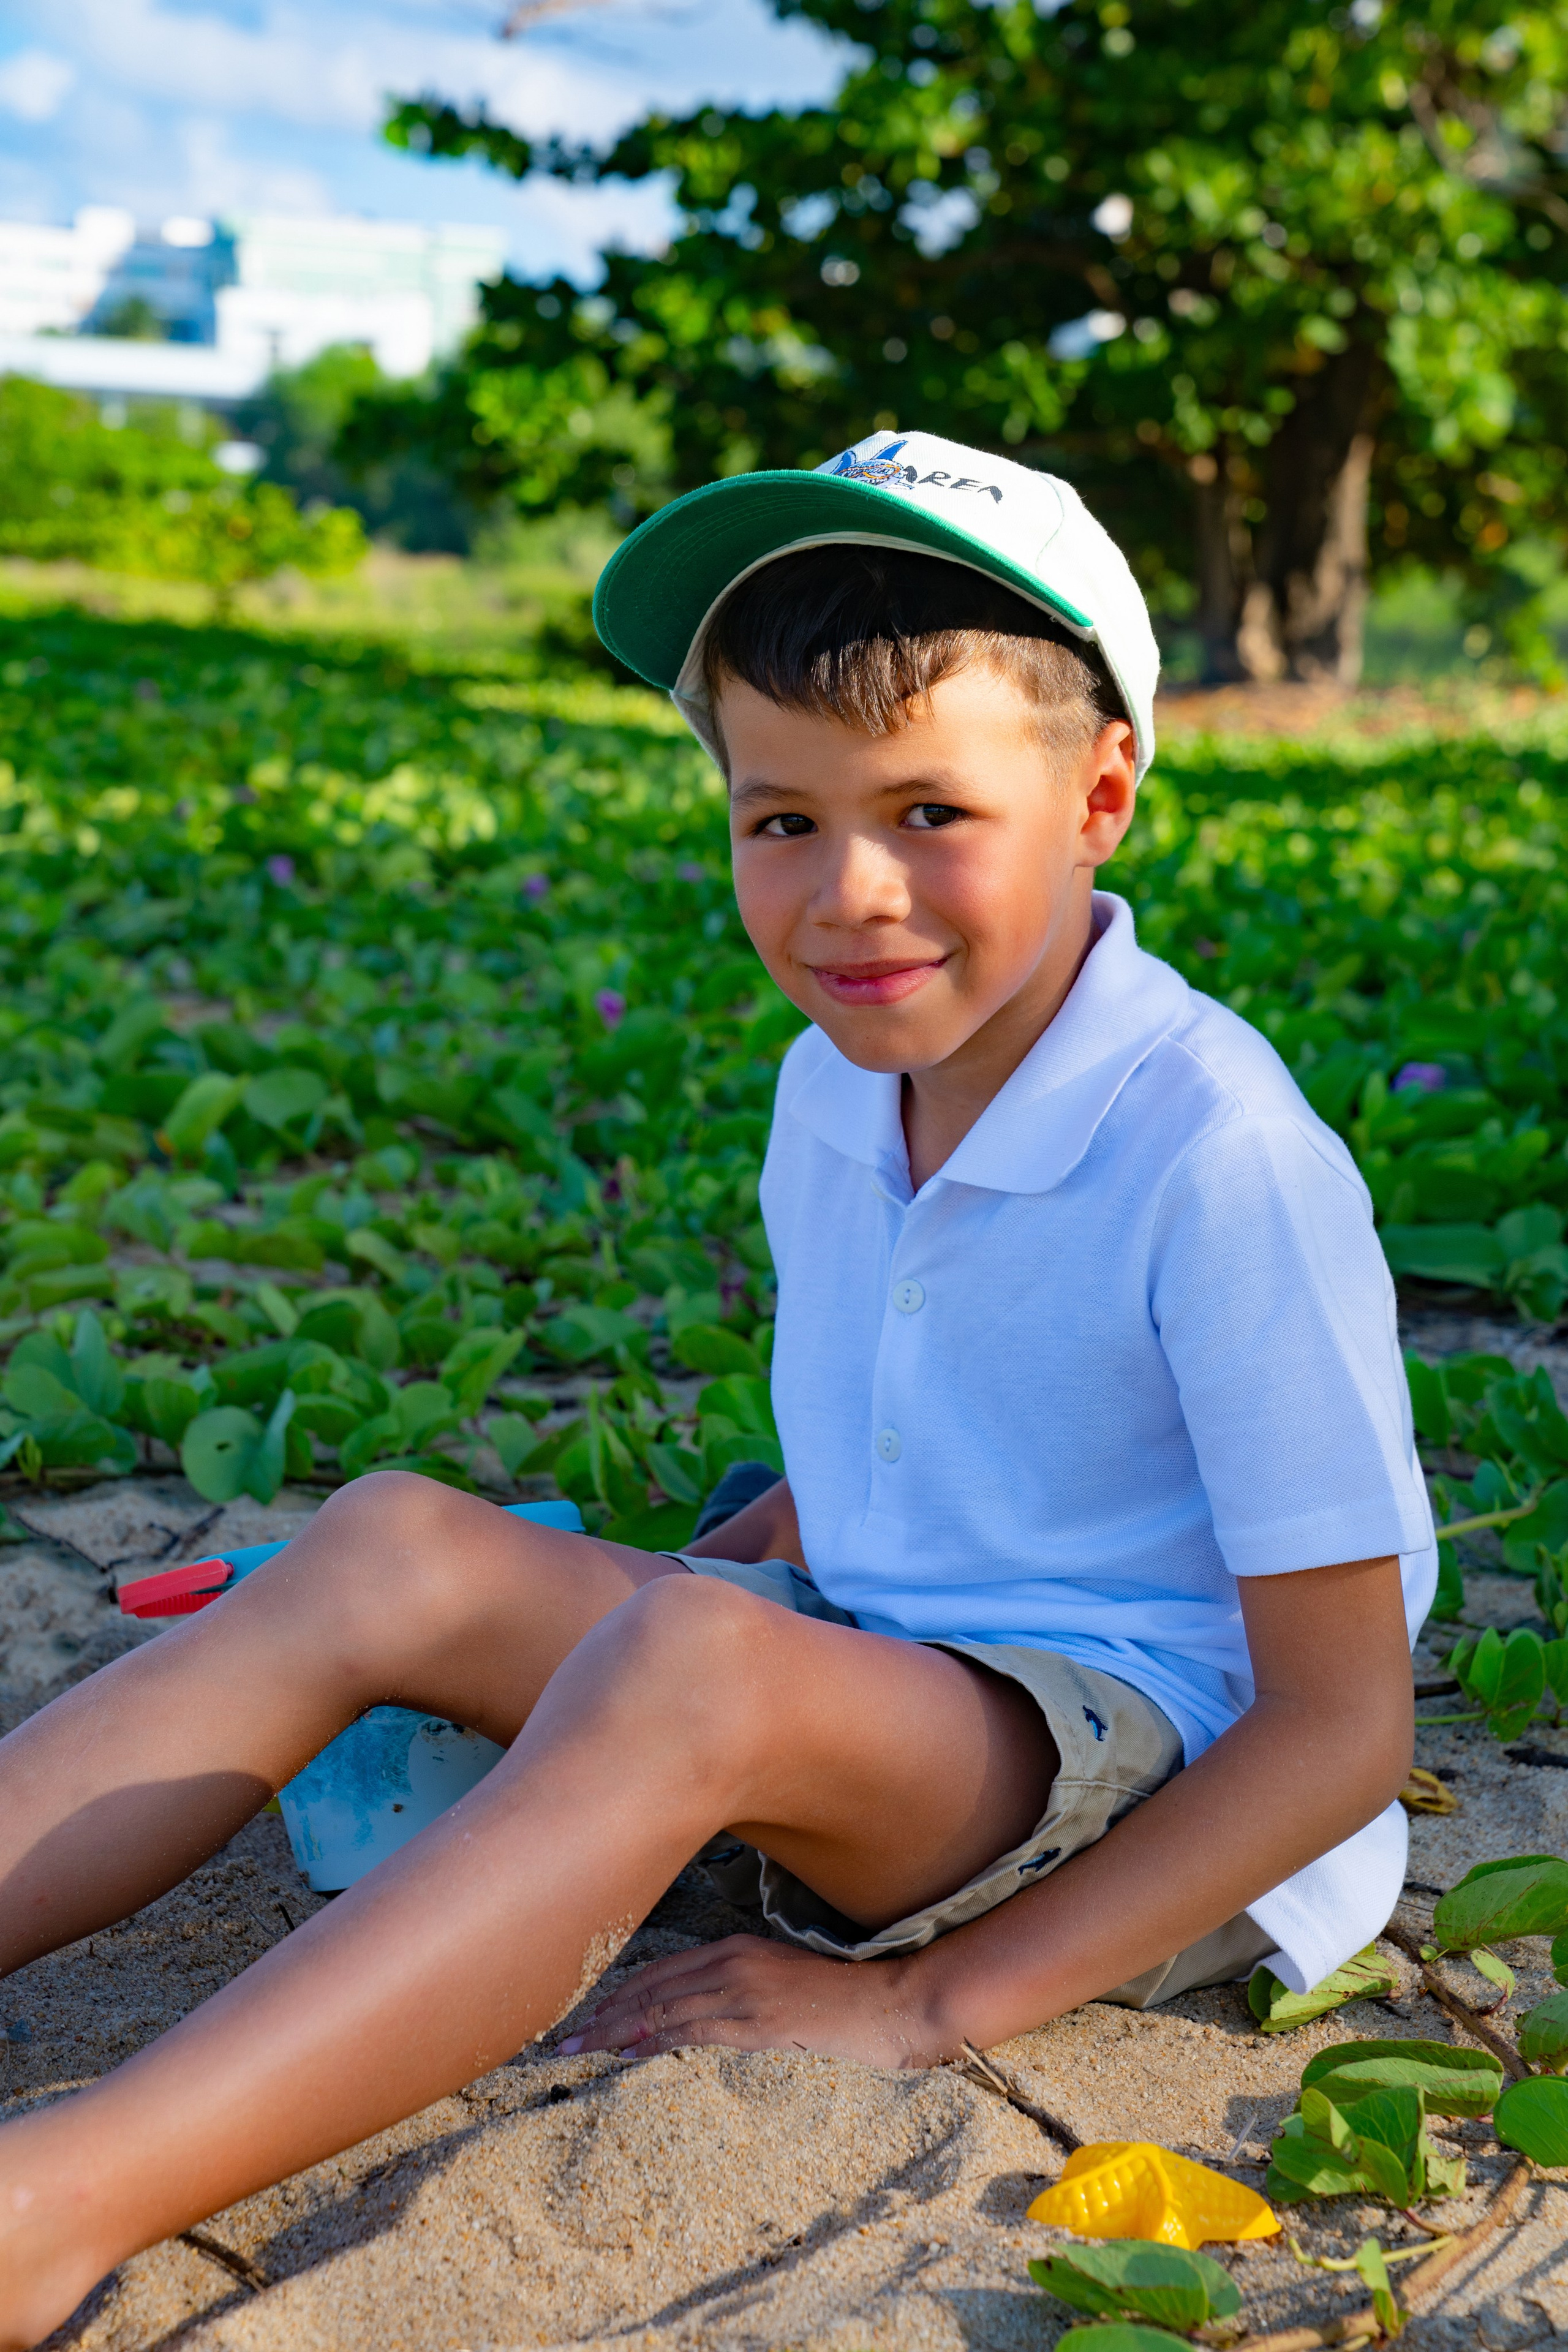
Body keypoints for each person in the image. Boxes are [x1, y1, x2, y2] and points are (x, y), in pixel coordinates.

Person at [0, 429, 1433, 2346]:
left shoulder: (1217, 1152)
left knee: (692, 1660)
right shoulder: (839, 1084)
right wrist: (587, 1621)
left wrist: (922, 2005)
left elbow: (1339, 1727)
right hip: (891, 1680)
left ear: (1100, 796)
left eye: (930, 812)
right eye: (782, 821)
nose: (851, 894)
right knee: (398, 1547)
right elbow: (898, 1456)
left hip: (1157, 1784)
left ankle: (55, 2205)